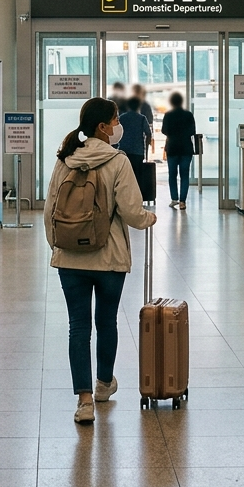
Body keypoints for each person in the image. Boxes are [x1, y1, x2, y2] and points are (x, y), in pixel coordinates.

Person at [43, 98, 157, 425]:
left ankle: (84, 402)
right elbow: (132, 212)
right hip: (109, 258)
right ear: (103, 127)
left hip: (70, 260)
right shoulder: (117, 161)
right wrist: (148, 218)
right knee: (106, 321)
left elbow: (50, 210)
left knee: (78, 326)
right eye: (115, 120)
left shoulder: (66, 158)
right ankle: (104, 384)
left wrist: (59, 246)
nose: (119, 125)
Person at [160, 92, 197, 210]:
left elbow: (164, 130)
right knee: (184, 175)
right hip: (186, 148)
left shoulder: (168, 115)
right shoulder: (188, 115)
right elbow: (193, 131)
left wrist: (172, 134)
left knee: (172, 174)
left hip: (172, 147)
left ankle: (174, 198)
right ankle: (182, 202)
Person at [115, 98, 150, 195]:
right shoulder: (142, 118)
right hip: (138, 152)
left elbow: (115, 133)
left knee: (124, 176)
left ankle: (125, 196)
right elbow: (148, 134)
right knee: (137, 177)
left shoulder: (122, 118)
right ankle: (136, 196)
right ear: (138, 106)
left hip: (124, 151)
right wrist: (146, 150)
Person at [131, 84, 155, 155]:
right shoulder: (146, 105)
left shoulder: (128, 105)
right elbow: (150, 122)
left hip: (133, 138)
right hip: (141, 138)